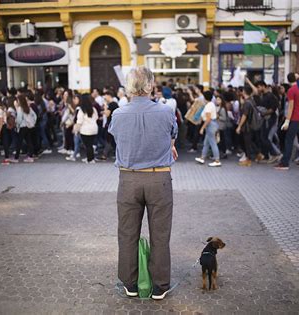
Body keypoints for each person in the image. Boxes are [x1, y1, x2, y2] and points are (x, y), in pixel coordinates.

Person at [108, 66, 178, 300]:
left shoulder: (118, 114)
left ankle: (130, 283)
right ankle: (159, 285)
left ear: (129, 87)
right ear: (150, 86)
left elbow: (117, 138)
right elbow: (172, 134)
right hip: (159, 178)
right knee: (160, 234)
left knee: (127, 233)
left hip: (128, 178)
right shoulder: (166, 111)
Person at [275, 73, 299, 170]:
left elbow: (291, 107)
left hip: (295, 119)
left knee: (288, 140)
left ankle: (285, 163)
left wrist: (287, 120)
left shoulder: (291, 90)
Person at [194, 90, 221, 167]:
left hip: (210, 125)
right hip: (212, 124)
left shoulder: (209, 106)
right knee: (206, 143)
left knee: (212, 143)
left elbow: (208, 118)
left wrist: (202, 128)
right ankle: (202, 157)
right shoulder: (211, 104)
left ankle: (217, 160)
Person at [77, 94, 98, 163]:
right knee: (90, 144)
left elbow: (79, 121)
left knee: (87, 145)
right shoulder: (93, 109)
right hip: (94, 129)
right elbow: (96, 118)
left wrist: (76, 129)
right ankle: (91, 158)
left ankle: (90, 159)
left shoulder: (81, 110)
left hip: (85, 130)